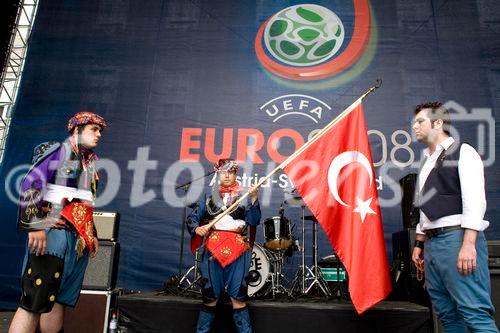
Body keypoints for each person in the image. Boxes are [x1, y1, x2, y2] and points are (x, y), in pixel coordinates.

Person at [9, 111, 107, 333]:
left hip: (75, 241)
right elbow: (31, 184)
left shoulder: (89, 162)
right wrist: (35, 225)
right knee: (33, 302)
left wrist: (90, 233)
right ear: (76, 130)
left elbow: (82, 203)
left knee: (57, 300)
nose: (99, 134)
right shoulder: (59, 151)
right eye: (94, 129)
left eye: (100, 130)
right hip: (53, 238)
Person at [410, 102, 498, 332]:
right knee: (447, 315)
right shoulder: (426, 162)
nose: (414, 126)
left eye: (420, 121)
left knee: (475, 314)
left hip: (456, 239)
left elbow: (475, 201)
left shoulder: (463, 152)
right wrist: (420, 243)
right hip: (433, 245)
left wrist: (468, 244)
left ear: (438, 123)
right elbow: (424, 208)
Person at [187, 159, 261, 333]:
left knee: (239, 298)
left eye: (230, 172)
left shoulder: (244, 195)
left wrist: (254, 198)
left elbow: (254, 221)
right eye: (223, 172)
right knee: (210, 298)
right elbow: (193, 218)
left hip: (239, 250)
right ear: (218, 173)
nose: (227, 175)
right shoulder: (208, 197)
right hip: (213, 249)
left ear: (236, 173)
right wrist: (197, 228)